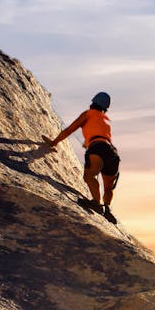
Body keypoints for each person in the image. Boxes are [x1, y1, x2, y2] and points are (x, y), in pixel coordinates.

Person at [43, 91, 120, 221]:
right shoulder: (106, 120)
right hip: (113, 153)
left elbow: (69, 130)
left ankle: (96, 203)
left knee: (89, 176)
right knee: (108, 187)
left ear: (93, 102)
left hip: (98, 148)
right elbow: (101, 134)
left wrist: (54, 142)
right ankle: (107, 209)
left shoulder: (88, 114)